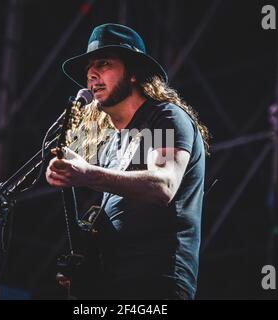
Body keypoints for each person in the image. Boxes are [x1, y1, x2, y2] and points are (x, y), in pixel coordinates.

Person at [46, 23, 209, 300]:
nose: (91, 74)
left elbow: (163, 186)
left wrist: (86, 173)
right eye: (89, 68)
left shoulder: (165, 116)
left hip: (157, 285)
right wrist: (84, 263)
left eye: (103, 63)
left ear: (134, 73)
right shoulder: (112, 143)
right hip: (111, 287)